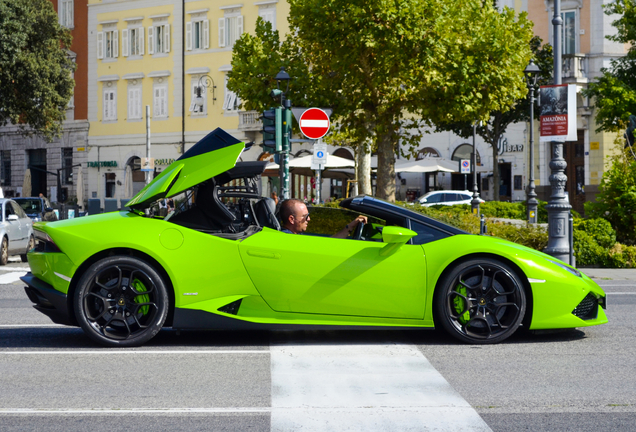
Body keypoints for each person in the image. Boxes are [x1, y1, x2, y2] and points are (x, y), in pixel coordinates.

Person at [279, 198, 367, 239]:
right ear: (291, 219)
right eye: (305, 216)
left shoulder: (294, 236)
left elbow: (327, 243)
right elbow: (327, 245)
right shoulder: (289, 240)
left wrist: (350, 226)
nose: (309, 219)